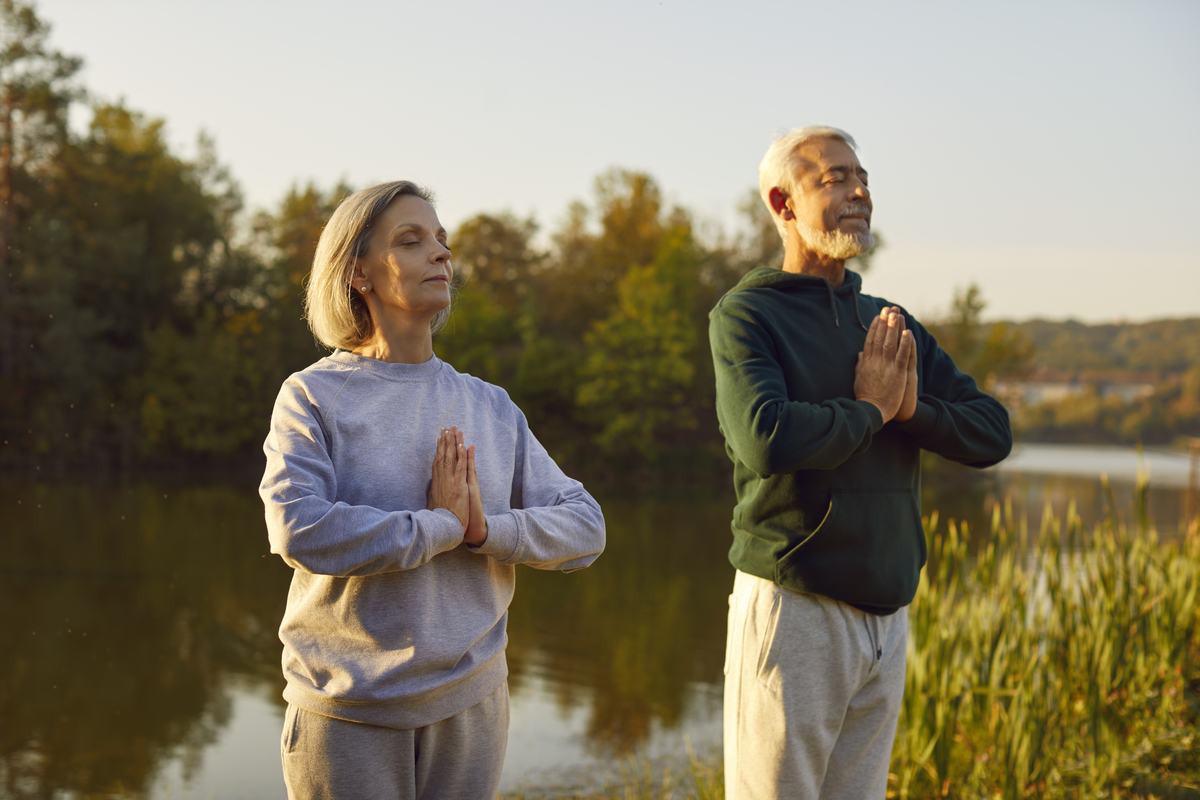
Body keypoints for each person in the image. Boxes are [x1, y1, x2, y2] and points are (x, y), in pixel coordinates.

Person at [259, 180, 606, 799]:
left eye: (441, 240)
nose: (441, 254)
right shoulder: (312, 396)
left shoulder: (490, 406)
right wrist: (438, 527)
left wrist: (482, 531)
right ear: (358, 270)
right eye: (411, 241)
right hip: (347, 716)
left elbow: (585, 528)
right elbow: (296, 526)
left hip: (471, 707)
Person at [709, 127, 1012, 799]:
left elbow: (992, 432)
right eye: (835, 178)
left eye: (862, 177)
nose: (859, 192)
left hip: (887, 619)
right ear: (783, 204)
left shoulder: (891, 324)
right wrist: (869, 413)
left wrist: (912, 413)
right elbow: (766, 438)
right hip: (796, 610)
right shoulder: (748, 315)